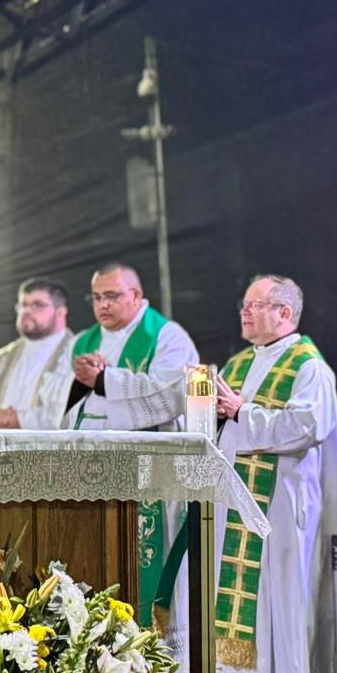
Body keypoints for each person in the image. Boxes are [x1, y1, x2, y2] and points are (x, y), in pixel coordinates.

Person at [213, 275, 337, 673]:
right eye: (244, 305)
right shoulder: (240, 362)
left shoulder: (309, 367)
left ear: (284, 313)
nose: (245, 313)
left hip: (286, 502)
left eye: (256, 305)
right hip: (241, 497)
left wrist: (241, 412)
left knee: (288, 598)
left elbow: (305, 428)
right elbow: (223, 422)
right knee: (249, 597)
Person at [65, 262, 199, 623]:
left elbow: (172, 393)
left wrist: (106, 380)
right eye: (96, 298)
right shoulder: (84, 341)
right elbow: (58, 403)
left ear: (136, 295)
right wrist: (80, 381)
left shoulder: (167, 336)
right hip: (91, 471)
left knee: (144, 565)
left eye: (112, 296)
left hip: (148, 472)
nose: (102, 306)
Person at [0, 279, 74, 430]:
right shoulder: (3, 357)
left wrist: (19, 420)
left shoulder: (75, 355)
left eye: (37, 305)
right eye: (23, 305)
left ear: (60, 312)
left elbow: (71, 411)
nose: (26, 311)